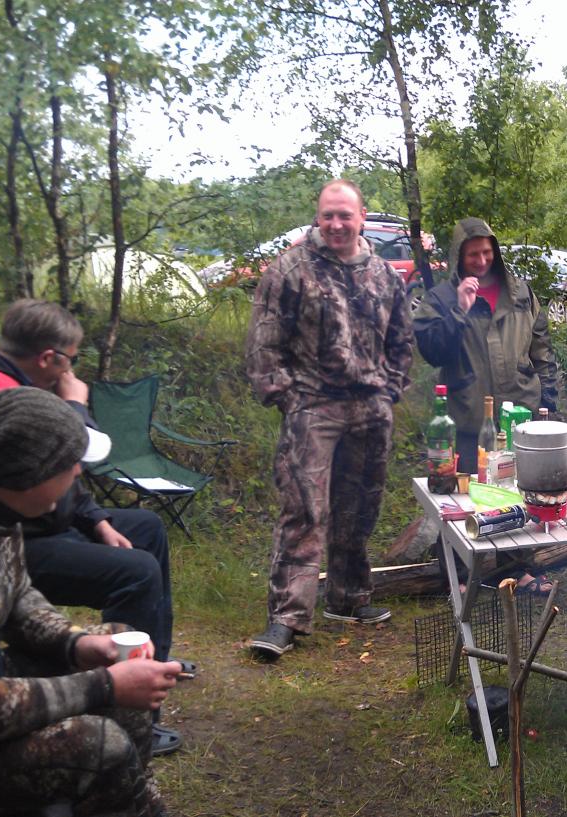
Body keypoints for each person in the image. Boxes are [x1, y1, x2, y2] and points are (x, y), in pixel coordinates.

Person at [0, 298, 186, 755]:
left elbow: (61, 470)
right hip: (27, 535)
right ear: (50, 357)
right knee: (137, 570)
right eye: (71, 358)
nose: (78, 472)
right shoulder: (0, 394)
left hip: (35, 526)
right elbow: (78, 451)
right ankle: (136, 708)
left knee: (145, 527)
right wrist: (75, 403)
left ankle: (151, 662)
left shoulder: (8, 387)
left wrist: (98, 520)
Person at [0, 387, 181, 816]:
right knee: (97, 744)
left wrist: (75, 644)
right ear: (29, 476)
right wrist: (105, 685)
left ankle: (126, 792)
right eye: (70, 464)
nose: (78, 472)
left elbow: (19, 594)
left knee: (114, 644)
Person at [245, 179, 413, 658]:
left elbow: (402, 340)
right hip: (312, 407)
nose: (336, 224)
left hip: (370, 409)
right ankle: (287, 617)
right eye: (328, 215)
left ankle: (348, 597)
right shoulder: (291, 268)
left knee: (359, 507)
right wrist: (287, 397)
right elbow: (264, 342)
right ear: (318, 218)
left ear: (362, 218)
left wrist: (389, 390)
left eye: (345, 215)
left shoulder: (383, 274)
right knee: (304, 510)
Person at [413, 217, 559, 594]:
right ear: (458, 257)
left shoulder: (520, 293)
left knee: (517, 490)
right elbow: (432, 352)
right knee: (462, 496)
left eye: (487, 252)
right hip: (467, 412)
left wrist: (548, 402)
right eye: (472, 254)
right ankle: (461, 575)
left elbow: (542, 351)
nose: (481, 260)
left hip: (519, 411)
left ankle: (519, 568)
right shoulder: (442, 298)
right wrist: (459, 310)